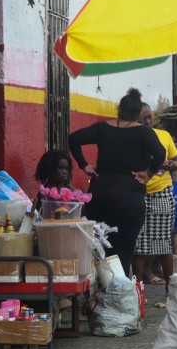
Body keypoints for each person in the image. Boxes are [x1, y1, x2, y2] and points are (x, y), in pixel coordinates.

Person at [69, 88, 166, 276]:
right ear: (139, 113)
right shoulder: (144, 132)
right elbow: (161, 153)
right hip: (129, 196)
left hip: (101, 194)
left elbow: (73, 138)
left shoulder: (101, 128)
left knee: (101, 246)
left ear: (118, 109)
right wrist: (148, 173)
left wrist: (84, 165)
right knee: (124, 248)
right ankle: (120, 289)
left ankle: (102, 290)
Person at [132, 103, 177, 291]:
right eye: (143, 118)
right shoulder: (131, 139)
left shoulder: (164, 136)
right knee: (140, 243)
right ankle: (137, 289)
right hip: (139, 193)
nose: (148, 122)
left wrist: (173, 166)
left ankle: (170, 289)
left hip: (163, 192)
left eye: (150, 117)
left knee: (163, 242)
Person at [33, 149, 75, 215]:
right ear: (51, 169)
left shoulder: (69, 189)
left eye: (67, 168)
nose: (65, 172)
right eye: (61, 168)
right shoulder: (45, 192)